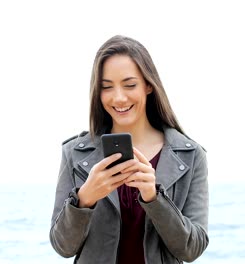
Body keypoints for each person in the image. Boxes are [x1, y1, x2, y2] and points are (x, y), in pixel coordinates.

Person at [49, 35, 209, 264]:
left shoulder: (191, 155)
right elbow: (62, 246)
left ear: (149, 85)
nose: (119, 97)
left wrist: (154, 199)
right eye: (106, 87)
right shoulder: (75, 153)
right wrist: (84, 199)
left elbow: (192, 249)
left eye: (130, 85)